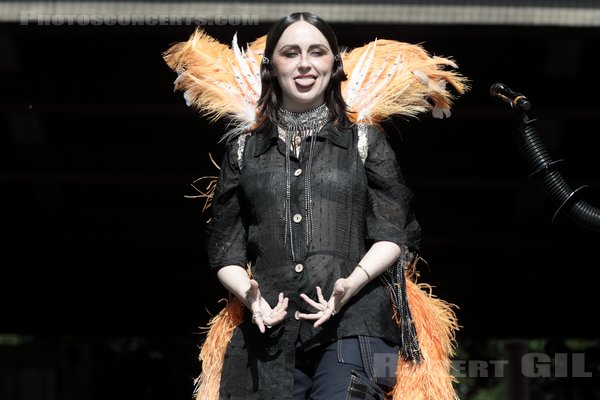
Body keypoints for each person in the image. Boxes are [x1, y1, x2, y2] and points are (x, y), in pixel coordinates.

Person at [164, 11, 468, 400]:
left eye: (317, 52)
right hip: (269, 335)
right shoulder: (242, 150)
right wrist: (251, 299)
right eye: (291, 53)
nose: (304, 63)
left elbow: (392, 233)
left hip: (356, 326)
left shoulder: (364, 141)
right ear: (271, 66)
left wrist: (351, 283)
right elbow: (226, 249)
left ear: (334, 65)